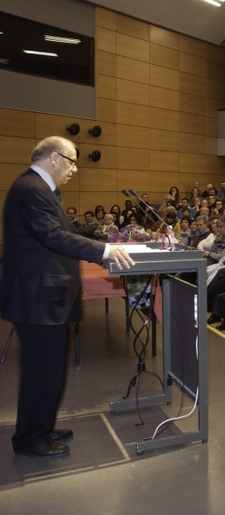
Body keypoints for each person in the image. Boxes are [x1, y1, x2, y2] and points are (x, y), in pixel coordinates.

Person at [1, 136, 133, 458]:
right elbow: (51, 235)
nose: (75, 169)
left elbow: (67, 228)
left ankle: (41, 426)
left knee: (48, 369)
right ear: (55, 158)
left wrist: (107, 237)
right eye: (73, 161)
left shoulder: (41, 189)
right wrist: (104, 251)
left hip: (44, 298)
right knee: (40, 372)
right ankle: (31, 438)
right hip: (38, 300)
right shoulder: (31, 189)